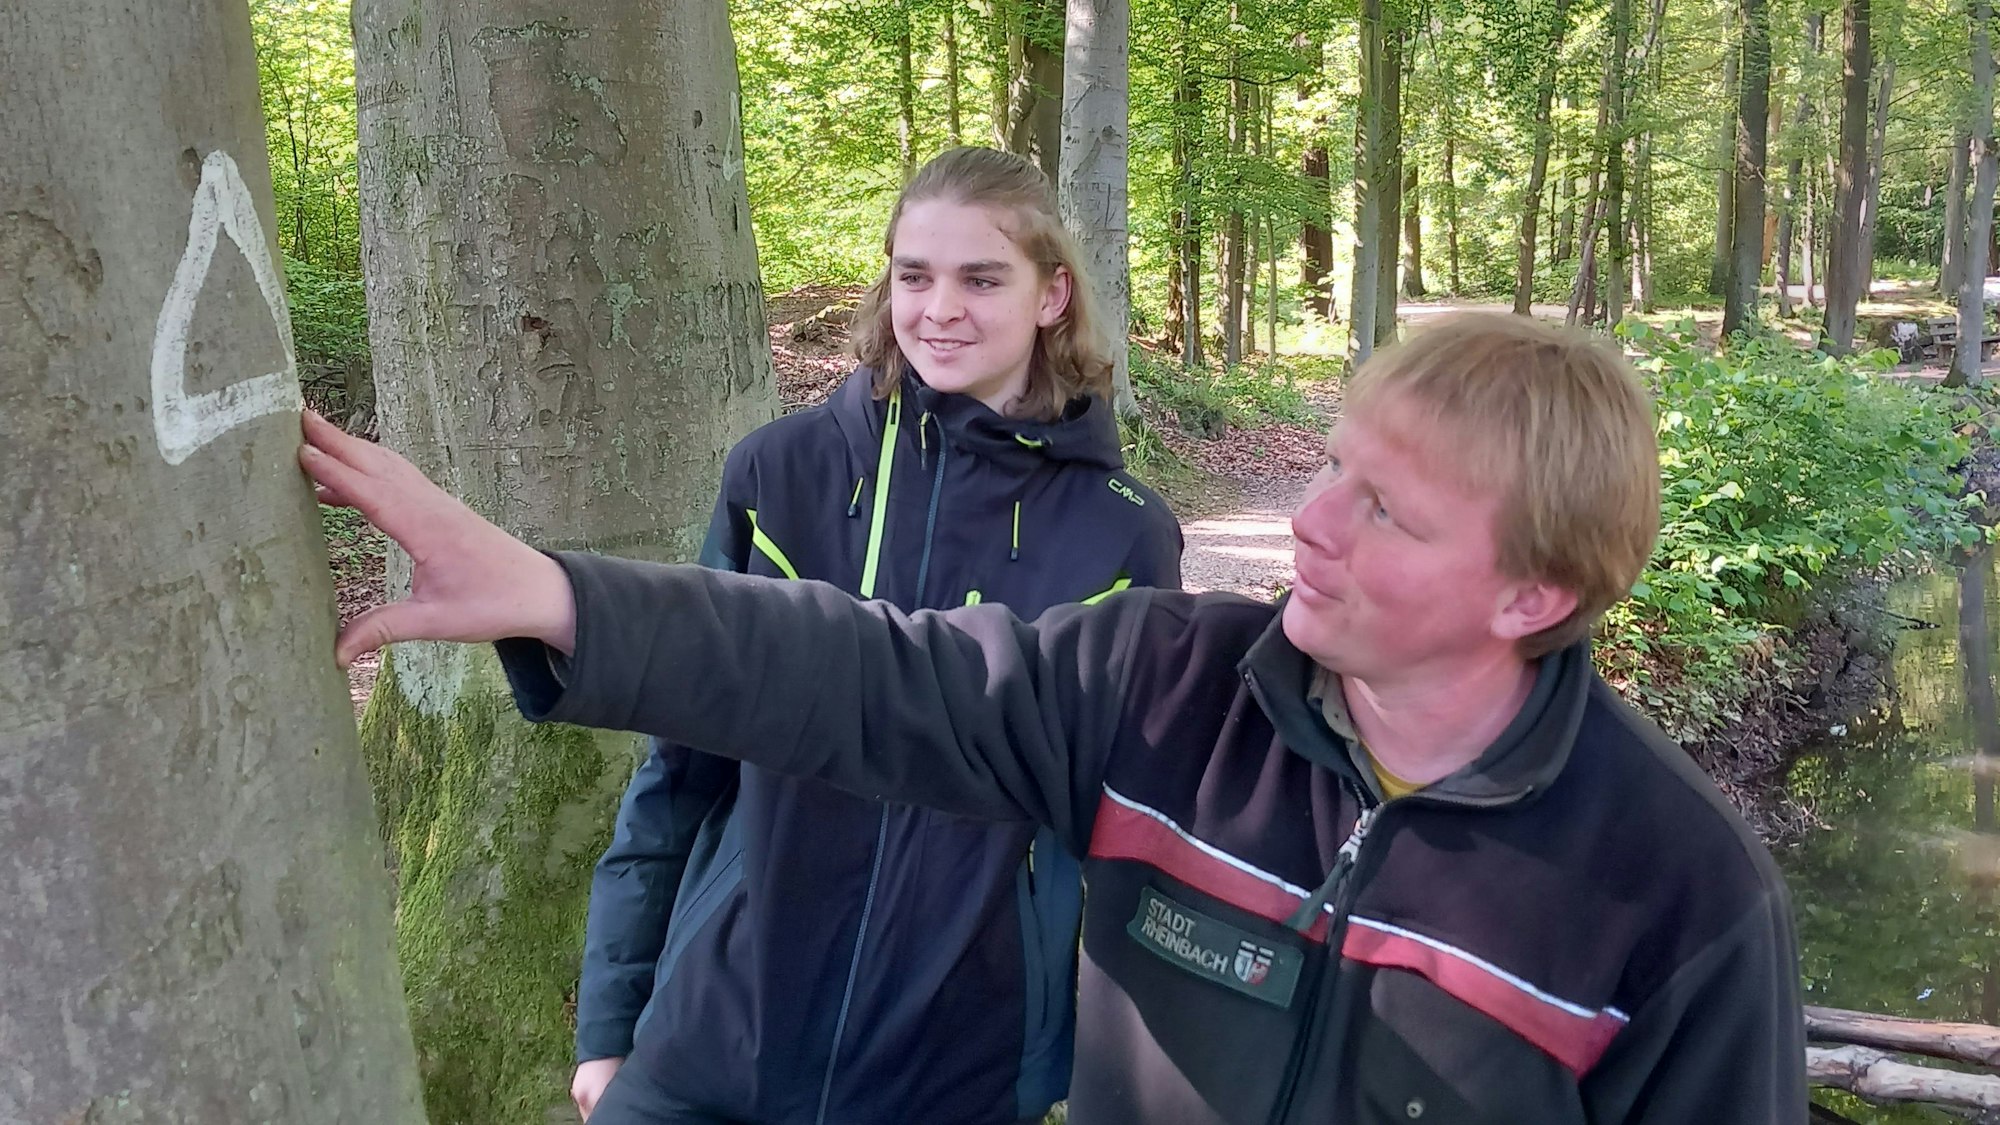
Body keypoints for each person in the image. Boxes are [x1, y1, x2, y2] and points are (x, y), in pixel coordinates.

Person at [301, 311, 1807, 1124]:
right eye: (1332, 468)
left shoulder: (1675, 895)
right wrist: (554, 596)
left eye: (1386, 512)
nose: (1313, 521)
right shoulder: (1166, 687)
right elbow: (867, 673)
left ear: (1533, 595)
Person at [570, 146, 1180, 1123]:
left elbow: (1130, 840)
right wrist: (608, 1021)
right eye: (915, 276)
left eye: (981, 279)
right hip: (714, 1044)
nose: (940, 309)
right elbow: (679, 767)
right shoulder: (779, 476)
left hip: (952, 1071)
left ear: (1051, 294)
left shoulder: (1119, 536)